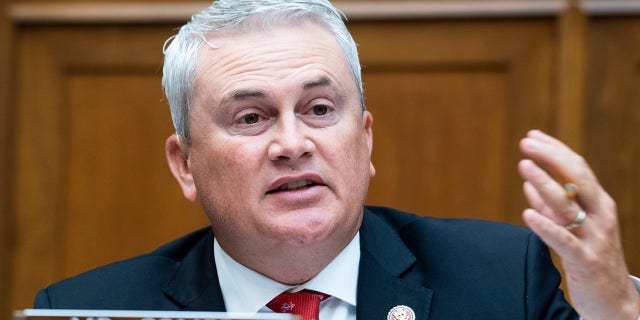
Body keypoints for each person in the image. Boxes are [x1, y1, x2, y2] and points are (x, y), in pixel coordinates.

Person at [34, 0, 640, 319]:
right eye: (251, 117)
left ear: (365, 139)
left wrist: (614, 309)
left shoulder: (503, 281)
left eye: (320, 109)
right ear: (185, 164)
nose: (292, 143)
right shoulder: (92, 312)